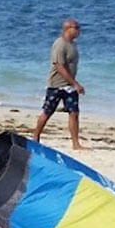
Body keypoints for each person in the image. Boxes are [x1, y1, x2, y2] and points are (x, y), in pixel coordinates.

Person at [32, 18, 84, 150]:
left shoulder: (72, 44)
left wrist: (72, 84)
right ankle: (36, 137)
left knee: (74, 112)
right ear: (68, 29)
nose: (79, 30)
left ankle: (75, 143)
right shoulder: (60, 44)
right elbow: (59, 66)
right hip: (56, 84)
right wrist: (76, 83)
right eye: (77, 28)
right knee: (47, 111)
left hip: (69, 85)